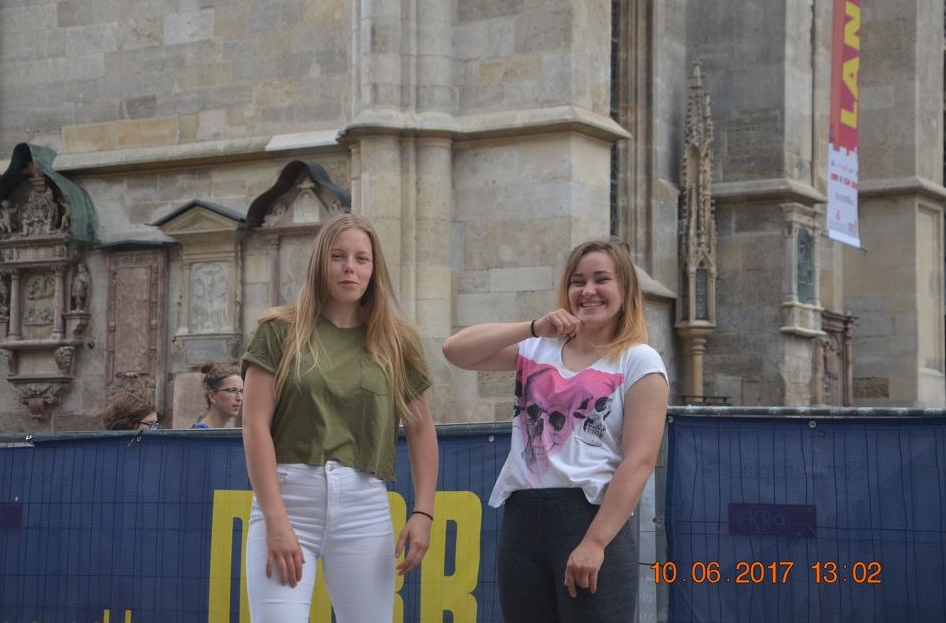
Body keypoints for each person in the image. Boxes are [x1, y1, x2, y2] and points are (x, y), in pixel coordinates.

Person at [442, 238, 669, 623]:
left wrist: (594, 542)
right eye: (577, 282)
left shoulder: (639, 360)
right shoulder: (536, 349)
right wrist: (534, 326)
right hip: (522, 523)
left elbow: (639, 461)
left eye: (601, 279)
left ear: (625, 288)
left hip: (590, 519)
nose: (588, 290)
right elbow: (455, 350)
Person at [241, 211, 438, 622]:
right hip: (288, 499)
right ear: (320, 263)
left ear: (374, 269)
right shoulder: (279, 330)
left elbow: (421, 429)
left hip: (365, 505)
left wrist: (423, 511)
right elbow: (255, 425)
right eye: (338, 256)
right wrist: (275, 518)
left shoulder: (395, 340)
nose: (350, 267)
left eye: (361, 259)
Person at [192, 361, 243, 429]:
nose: (239, 398)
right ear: (212, 396)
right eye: (232, 390)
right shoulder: (200, 433)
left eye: (241, 391)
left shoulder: (215, 430)